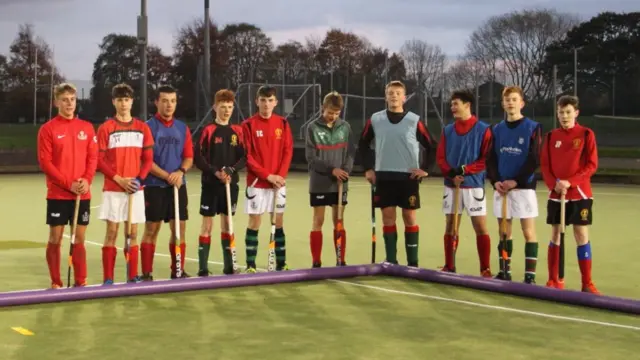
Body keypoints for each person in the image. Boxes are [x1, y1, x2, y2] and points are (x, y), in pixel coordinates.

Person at [358, 80, 436, 267]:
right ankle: (391, 261)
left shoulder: (414, 120)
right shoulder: (375, 119)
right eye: (390, 93)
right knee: (388, 217)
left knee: (409, 217)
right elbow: (363, 144)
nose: (394, 96)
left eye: (397, 93)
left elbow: (431, 145)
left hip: (407, 177)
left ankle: (413, 262)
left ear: (404, 97)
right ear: (386, 97)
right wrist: (368, 168)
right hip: (384, 176)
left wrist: (426, 169)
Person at [37, 83, 98, 288]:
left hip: (82, 193)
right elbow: (46, 163)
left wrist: (87, 180)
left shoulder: (87, 128)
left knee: (79, 238)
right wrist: (68, 184)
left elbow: (92, 158)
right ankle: (56, 282)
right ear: (57, 102)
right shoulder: (48, 129)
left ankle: (81, 282)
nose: (69, 103)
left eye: (72, 99)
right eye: (65, 100)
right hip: (58, 194)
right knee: (55, 238)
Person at [540, 95, 599, 294]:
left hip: (580, 193)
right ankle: (552, 280)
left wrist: (570, 182)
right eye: (561, 112)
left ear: (576, 113)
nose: (564, 116)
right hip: (557, 194)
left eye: (568, 112)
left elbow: (592, 165)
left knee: (581, 234)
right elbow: (546, 165)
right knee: (555, 233)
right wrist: (554, 185)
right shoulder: (550, 137)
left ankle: (587, 283)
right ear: (557, 114)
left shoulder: (586, 134)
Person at [97, 83, 154, 284]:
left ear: (132, 101)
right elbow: (99, 160)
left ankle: (132, 276)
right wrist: (119, 179)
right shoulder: (106, 129)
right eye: (119, 100)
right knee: (112, 231)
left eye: (126, 99)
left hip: (134, 189)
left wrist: (139, 180)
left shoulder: (142, 128)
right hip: (113, 188)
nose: (123, 104)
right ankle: (108, 278)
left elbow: (147, 159)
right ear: (114, 102)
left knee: (132, 233)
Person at [486, 86, 542, 284]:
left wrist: (516, 180)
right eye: (507, 100)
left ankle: (530, 277)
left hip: (523, 188)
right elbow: (490, 158)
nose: (510, 103)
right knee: (503, 231)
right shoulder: (496, 129)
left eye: (514, 99)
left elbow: (534, 158)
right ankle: (504, 272)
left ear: (522, 103)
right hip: (502, 189)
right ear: (503, 103)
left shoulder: (533, 127)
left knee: (528, 232)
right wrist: (496, 181)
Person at [436, 90, 493, 277]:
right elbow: (441, 157)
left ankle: (485, 268)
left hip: (474, 185)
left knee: (480, 226)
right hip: (451, 185)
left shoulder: (484, 129)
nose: (452, 108)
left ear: (467, 105)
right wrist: (451, 174)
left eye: (455, 104)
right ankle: (449, 265)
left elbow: (486, 159)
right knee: (450, 224)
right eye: (451, 104)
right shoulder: (447, 130)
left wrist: (463, 170)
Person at [140, 85, 194, 281]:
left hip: (178, 185)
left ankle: (177, 270)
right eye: (164, 100)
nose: (169, 105)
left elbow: (188, 157)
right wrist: (166, 175)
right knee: (151, 230)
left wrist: (180, 172)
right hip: (154, 186)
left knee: (179, 228)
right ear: (156, 102)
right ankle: (146, 273)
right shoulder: (148, 127)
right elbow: (146, 160)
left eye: (172, 101)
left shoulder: (182, 128)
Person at [241, 85, 293, 273]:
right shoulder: (247, 125)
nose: (266, 104)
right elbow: (247, 157)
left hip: (278, 184)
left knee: (278, 222)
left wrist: (280, 176)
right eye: (263, 100)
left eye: (270, 100)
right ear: (257, 102)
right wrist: (267, 175)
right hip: (257, 184)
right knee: (255, 222)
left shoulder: (283, 124)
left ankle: (281, 263)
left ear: (276, 102)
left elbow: (287, 151)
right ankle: (251, 265)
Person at [195, 89, 246, 276]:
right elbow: (198, 157)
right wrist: (215, 172)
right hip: (210, 184)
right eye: (223, 107)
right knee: (207, 225)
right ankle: (203, 268)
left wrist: (231, 170)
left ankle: (229, 266)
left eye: (230, 107)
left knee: (227, 224)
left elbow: (244, 157)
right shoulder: (208, 131)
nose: (227, 111)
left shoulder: (238, 131)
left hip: (230, 185)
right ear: (215, 107)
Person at [305, 91, 356, 268]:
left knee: (339, 221)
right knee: (318, 221)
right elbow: (311, 158)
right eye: (329, 112)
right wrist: (332, 170)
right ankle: (316, 261)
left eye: (336, 113)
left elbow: (350, 153)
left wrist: (345, 171)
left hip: (340, 183)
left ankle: (340, 260)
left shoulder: (345, 127)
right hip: (320, 181)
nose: (332, 116)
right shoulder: (312, 127)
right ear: (323, 108)